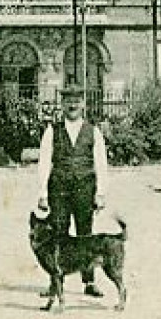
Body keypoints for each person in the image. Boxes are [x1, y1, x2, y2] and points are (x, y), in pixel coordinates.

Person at [36, 82, 109, 297]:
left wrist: (101, 192)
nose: (72, 105)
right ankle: (55, 284)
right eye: (68, 101)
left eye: (76, 101)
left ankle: (89, 282)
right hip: (58, 188)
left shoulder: (93, 130)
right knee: (58, 234)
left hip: (85, 188)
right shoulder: (52, 130)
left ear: (83, 104)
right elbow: (44, 162)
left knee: (85, 234)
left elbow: (101, 163)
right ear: (62, 104)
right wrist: (42, 193)